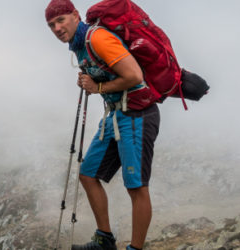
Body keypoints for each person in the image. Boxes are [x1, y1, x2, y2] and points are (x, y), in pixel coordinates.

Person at [46, 0, 161, 249]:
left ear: (75, 16)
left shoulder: (96, 38)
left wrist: (97, 87)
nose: (56, 28)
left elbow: (134, 75)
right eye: (51, 25)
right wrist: (91, 81)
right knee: (88, 174)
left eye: (61, 20)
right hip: (116, 115)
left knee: (137, 186)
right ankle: (104, 241)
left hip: (137, 115)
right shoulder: (78, 46)